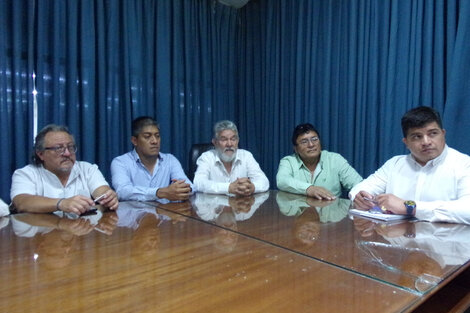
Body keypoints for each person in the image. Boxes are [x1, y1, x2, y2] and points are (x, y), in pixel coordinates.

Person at [350, 106, 470, 224]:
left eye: (433, 134)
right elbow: (360, 189)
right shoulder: (394, 164)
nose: (426, 142)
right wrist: (360, 197)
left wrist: (409, 207)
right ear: (406, 142)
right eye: (417, 136)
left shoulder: (464, 164)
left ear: (443, 134)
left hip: (447, 240)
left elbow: (467, 210)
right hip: (398, 238)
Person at [10, 124, 118, 214]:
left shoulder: (87, 169)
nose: (67, 153)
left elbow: (102, 190)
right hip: (43, 235)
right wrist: (61, 203)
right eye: (58, 148)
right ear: (41, 154)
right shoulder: (26, 174)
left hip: (82, 233)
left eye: (70, 147)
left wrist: (108, 197)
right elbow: (22, 202)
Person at [111, 116, 193, 201]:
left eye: (157, 136)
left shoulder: (170, 160)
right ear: (134, 140)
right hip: (135, 213)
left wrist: (184, 189)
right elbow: (122, 192)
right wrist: (160, 192)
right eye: (147, 136)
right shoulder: (120, 162)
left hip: (166, 213)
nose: (155, 141)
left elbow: (190, 186)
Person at [276, 123, 362, 200]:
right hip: (300, 214)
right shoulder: (288, 162)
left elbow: (359, 185)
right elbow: (282, 181)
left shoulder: (335, 160)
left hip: (330, 213)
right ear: (296, 149)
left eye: (314, 139)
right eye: (304, 141)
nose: (311, 145)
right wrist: (309, 189)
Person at [193, 120, 269, 196]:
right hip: (215, 206)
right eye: (224, 139)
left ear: (238, 141)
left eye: (233, 139)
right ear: (215, 142)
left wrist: (252, 187)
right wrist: (228, 188)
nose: (229, 144)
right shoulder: (207, 157)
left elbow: (264, 182)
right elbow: (198, 183)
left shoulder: (246, 156)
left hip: (241, 206)